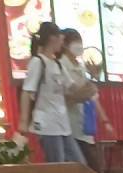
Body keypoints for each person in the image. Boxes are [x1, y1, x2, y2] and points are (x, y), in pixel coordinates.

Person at [18, 22, 87, 165]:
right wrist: (23, 121)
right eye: (61, 39)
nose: (62, 43)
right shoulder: (38, 62)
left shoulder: (57, 64)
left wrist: (89, 83)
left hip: (62, 124)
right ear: (52, 38)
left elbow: (72, 87)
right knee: (57, 165)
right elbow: (26, 92)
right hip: (46, 124)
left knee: (79, 164)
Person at [61, 28, 112, 171]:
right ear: (65, 45)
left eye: (80, 43)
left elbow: (92, 95)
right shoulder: (61, 65)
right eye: (76, 43)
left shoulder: (81, 67)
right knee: (86, 168)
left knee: (92, 168)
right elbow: (66, 96)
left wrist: (105, 121)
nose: (79, 47)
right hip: (68, 126)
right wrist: (85, 91)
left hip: (84, 126)